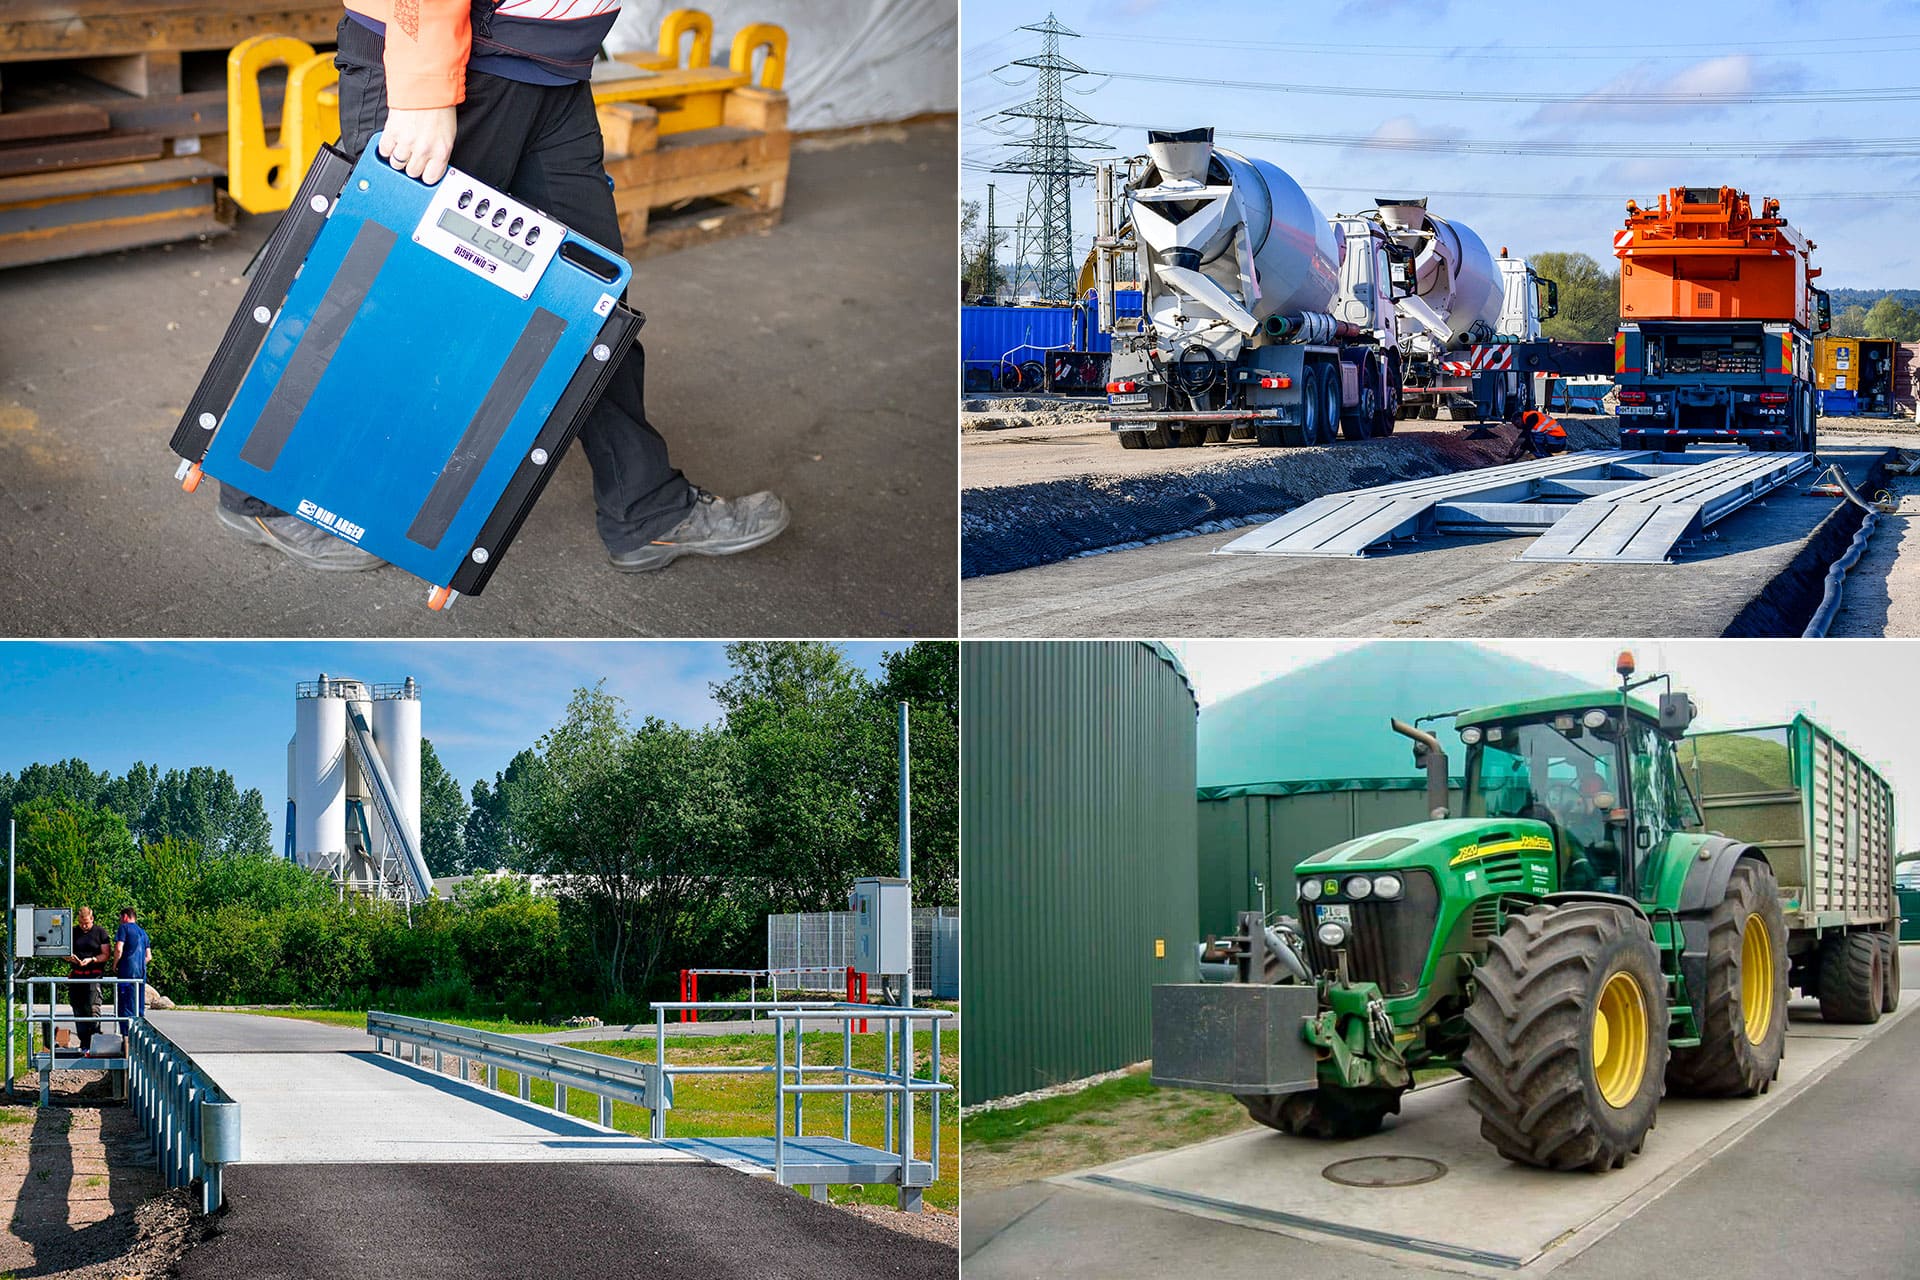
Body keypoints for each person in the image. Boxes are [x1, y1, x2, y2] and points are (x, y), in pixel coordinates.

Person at [216, 0, 789, 575]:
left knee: (588, 308)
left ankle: (645, 510)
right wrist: (424, 87)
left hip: (551, 70)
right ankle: (259, 493)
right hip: (450, 61)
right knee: (384, 301)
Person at [59, 906, 113, 1053]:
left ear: (92, 919)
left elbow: (106, 954)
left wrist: (92, 959)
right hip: (77, 975)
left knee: (92, 1008)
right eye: (82, 923)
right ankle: (83, 1043)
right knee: (78, 1008)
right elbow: (63, 950)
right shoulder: (74, 932)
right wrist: (69, 957)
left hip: (93, 974)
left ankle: (95, 1041)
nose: (84, 926)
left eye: (87, 923)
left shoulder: (100, 932)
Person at [112, 907, 152, 1026]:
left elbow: (119, 949)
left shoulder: (124, 928)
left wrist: (115, 964)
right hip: (141, 975)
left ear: (125, 917)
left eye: (120, 918)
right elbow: (149, 956)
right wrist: (139, 963)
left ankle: (126, 1039)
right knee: (138, 1008)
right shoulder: (143, 932)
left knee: (125, 1007)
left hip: (127, 974)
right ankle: (138, 1037)